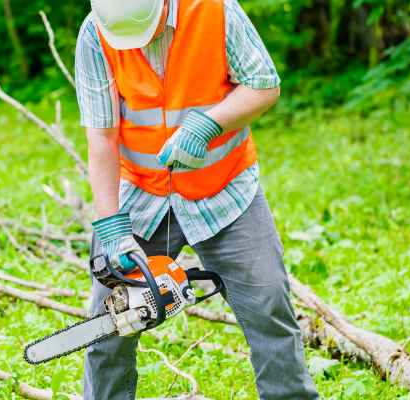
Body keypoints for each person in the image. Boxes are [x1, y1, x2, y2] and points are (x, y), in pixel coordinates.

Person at [74, 0, 320, 398]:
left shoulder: (215, 10)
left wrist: (209, 124)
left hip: (226, 191)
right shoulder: (95, 33)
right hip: (141, 197)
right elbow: (101, 138)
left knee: (269, 306)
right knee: (109, 324)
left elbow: (264, 83)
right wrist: (112, 229)